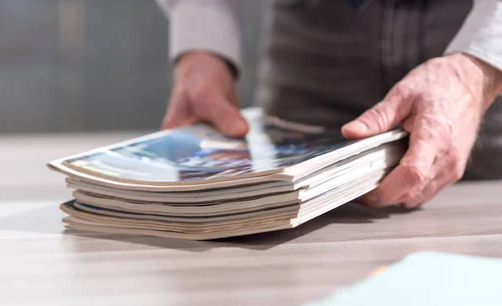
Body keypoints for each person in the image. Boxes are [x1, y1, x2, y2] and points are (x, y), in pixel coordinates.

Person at [154, 0, 502, 209]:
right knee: (283, 226)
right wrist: (203, 42)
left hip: (480, 30)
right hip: (313, 39)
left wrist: (477, 71)